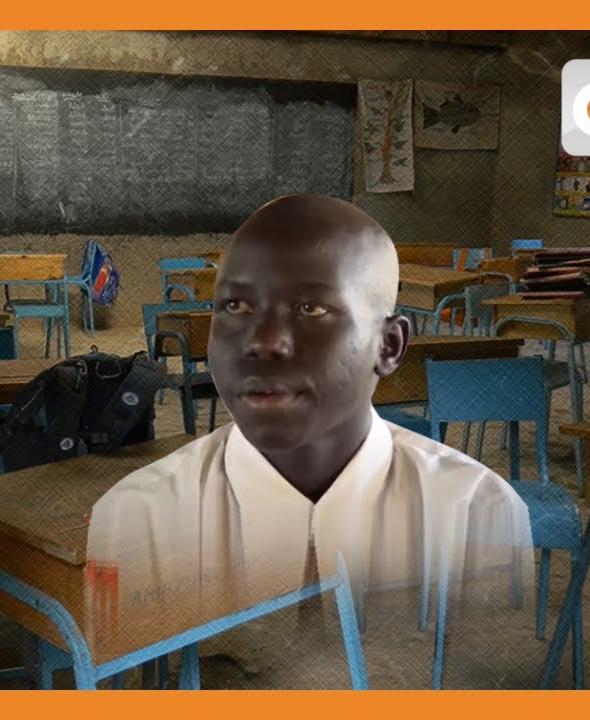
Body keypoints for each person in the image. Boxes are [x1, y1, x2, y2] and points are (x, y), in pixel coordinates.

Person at [84, 194, 533, 684]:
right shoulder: (136, 513)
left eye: (311, 307)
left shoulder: (479, 508)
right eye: (234, 305)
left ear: (389, 345)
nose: (263, 341)